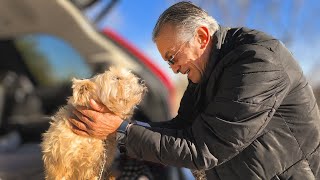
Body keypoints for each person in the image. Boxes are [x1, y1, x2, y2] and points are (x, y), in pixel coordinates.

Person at [69, 1, 320, 179]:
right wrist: (121, 128)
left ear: (201, 37)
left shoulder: (258, 63)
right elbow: (181, 129)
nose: (174, 69)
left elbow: (202, 149)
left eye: (172, 57)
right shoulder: (206, 71)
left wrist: (122, 131)